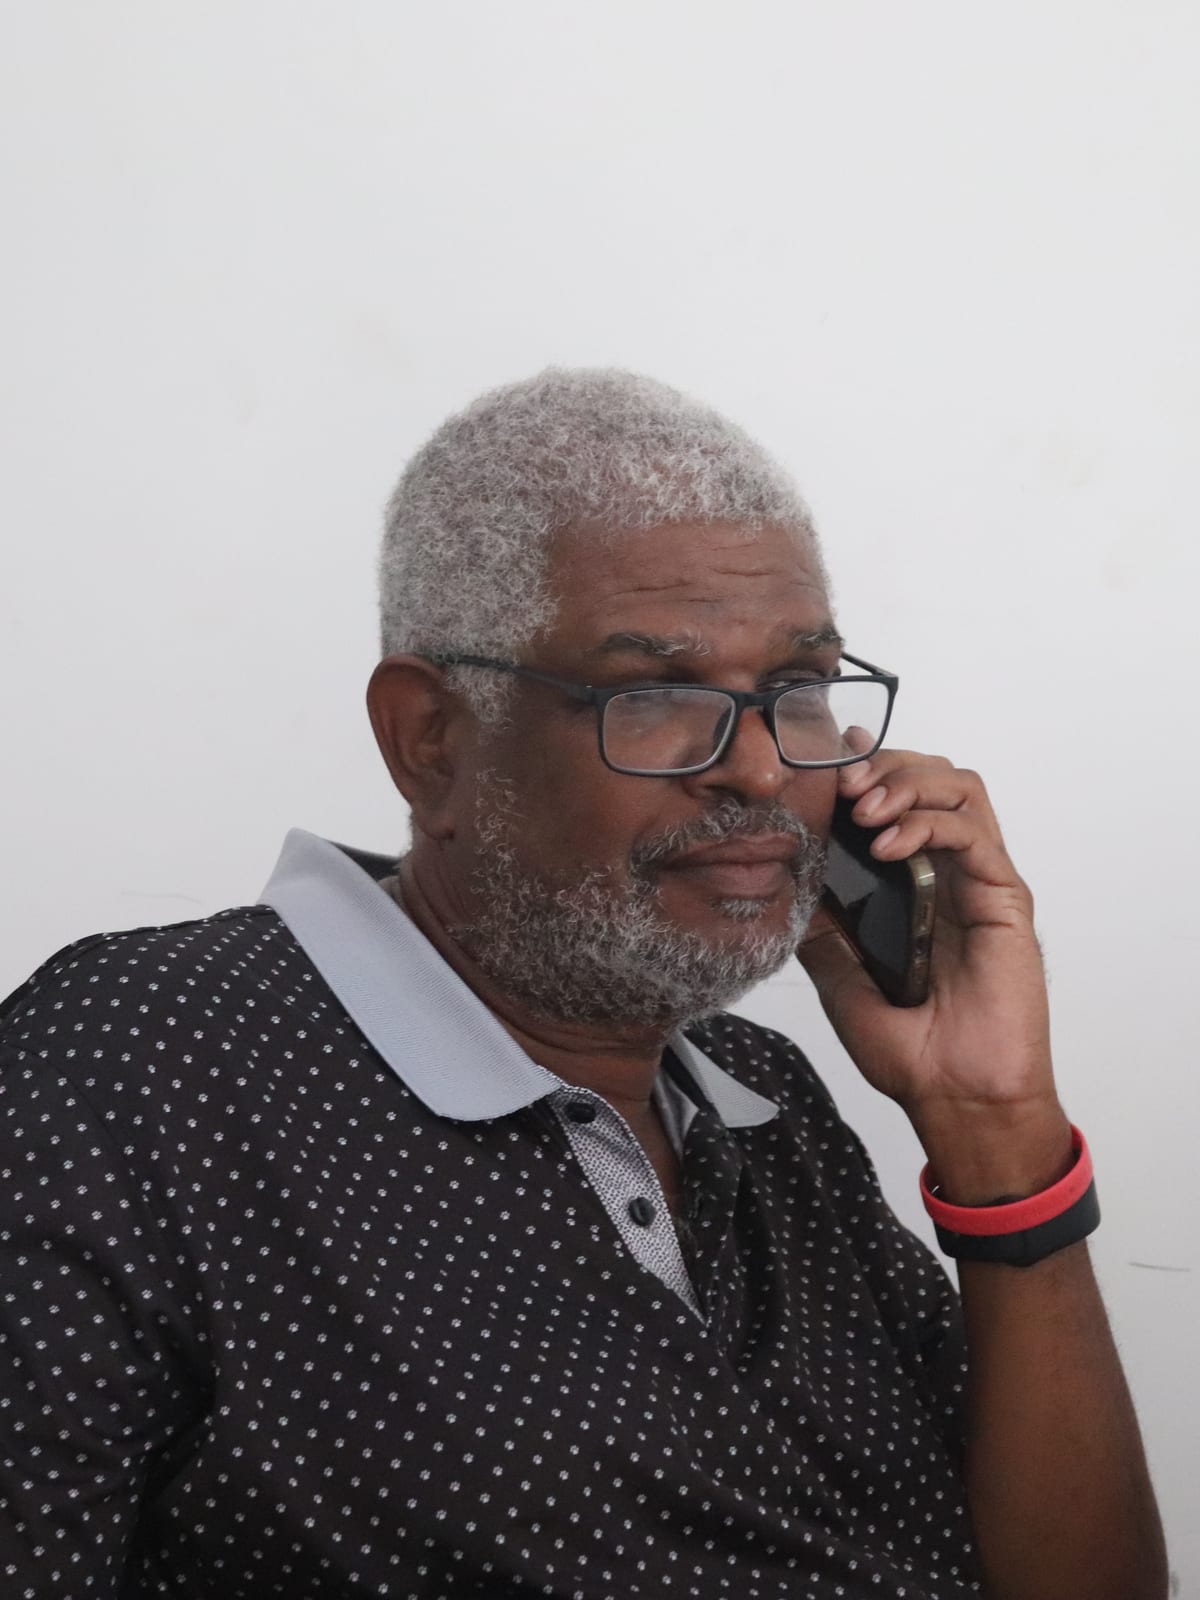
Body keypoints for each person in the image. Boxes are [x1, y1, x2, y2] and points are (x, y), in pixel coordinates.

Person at [0, 370, 1166, 1600]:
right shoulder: (131, 1064)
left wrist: (996, 1131)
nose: (766, 773)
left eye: (799, 688)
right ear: (432, 739)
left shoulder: (763, 1105)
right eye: (658, 696)